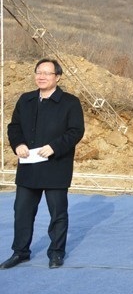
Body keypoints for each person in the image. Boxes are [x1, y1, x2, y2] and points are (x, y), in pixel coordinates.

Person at [0, 58, 85, 270]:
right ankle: (20, 252)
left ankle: (56, 253)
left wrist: (55, 146)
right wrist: (18, 144)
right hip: (28, 166)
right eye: (38, 72)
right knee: (22, 212)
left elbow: (76, 131)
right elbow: (14, 126)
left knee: (58, 213)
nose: (41, 76)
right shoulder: (26, 99)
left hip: (56, 166)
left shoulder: (70, 102)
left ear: (58, 77)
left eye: (47, 73)